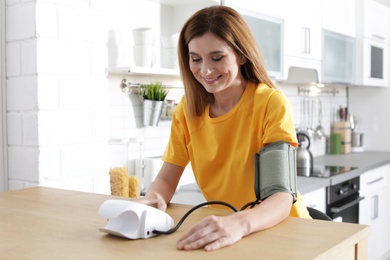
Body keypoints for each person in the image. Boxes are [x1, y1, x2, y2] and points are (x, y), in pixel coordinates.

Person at [141, 5, 311, 251]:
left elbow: (281, 197)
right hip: (231, 237)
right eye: (195, 59)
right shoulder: (187, 112)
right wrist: (155, 198)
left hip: (283, 235)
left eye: (217, 58)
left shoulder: (270, 103)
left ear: (241, 55)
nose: (205, 70)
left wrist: (239, 224)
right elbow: (166, 180)